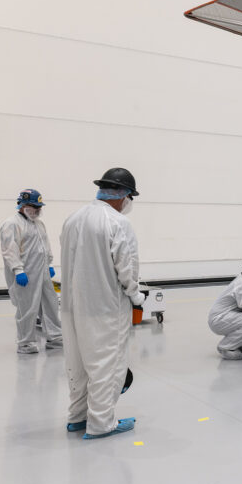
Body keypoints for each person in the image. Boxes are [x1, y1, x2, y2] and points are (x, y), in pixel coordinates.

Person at [60, 167, 142, 439]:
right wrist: (136, 296)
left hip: (72, 307)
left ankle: (77, 417)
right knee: (107, 366)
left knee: (78, 364)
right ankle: (101, 423)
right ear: (124, 195)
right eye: (130, 197)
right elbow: (127, 268)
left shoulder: (73, 219)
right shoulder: (118, 222)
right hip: (105, 308)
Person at [0, 189, 62, 354]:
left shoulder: (39, 224)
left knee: (51, 304)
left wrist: (49, 264)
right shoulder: (12, 224)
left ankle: (55, 338)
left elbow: (45, 245)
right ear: (23, 205)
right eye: (34, 206)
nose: (37, 210)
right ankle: (25, 343)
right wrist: (18, 270)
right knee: (27, 309)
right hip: (25, 273)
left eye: (39, 207)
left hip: (43, 272)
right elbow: (9, 250)